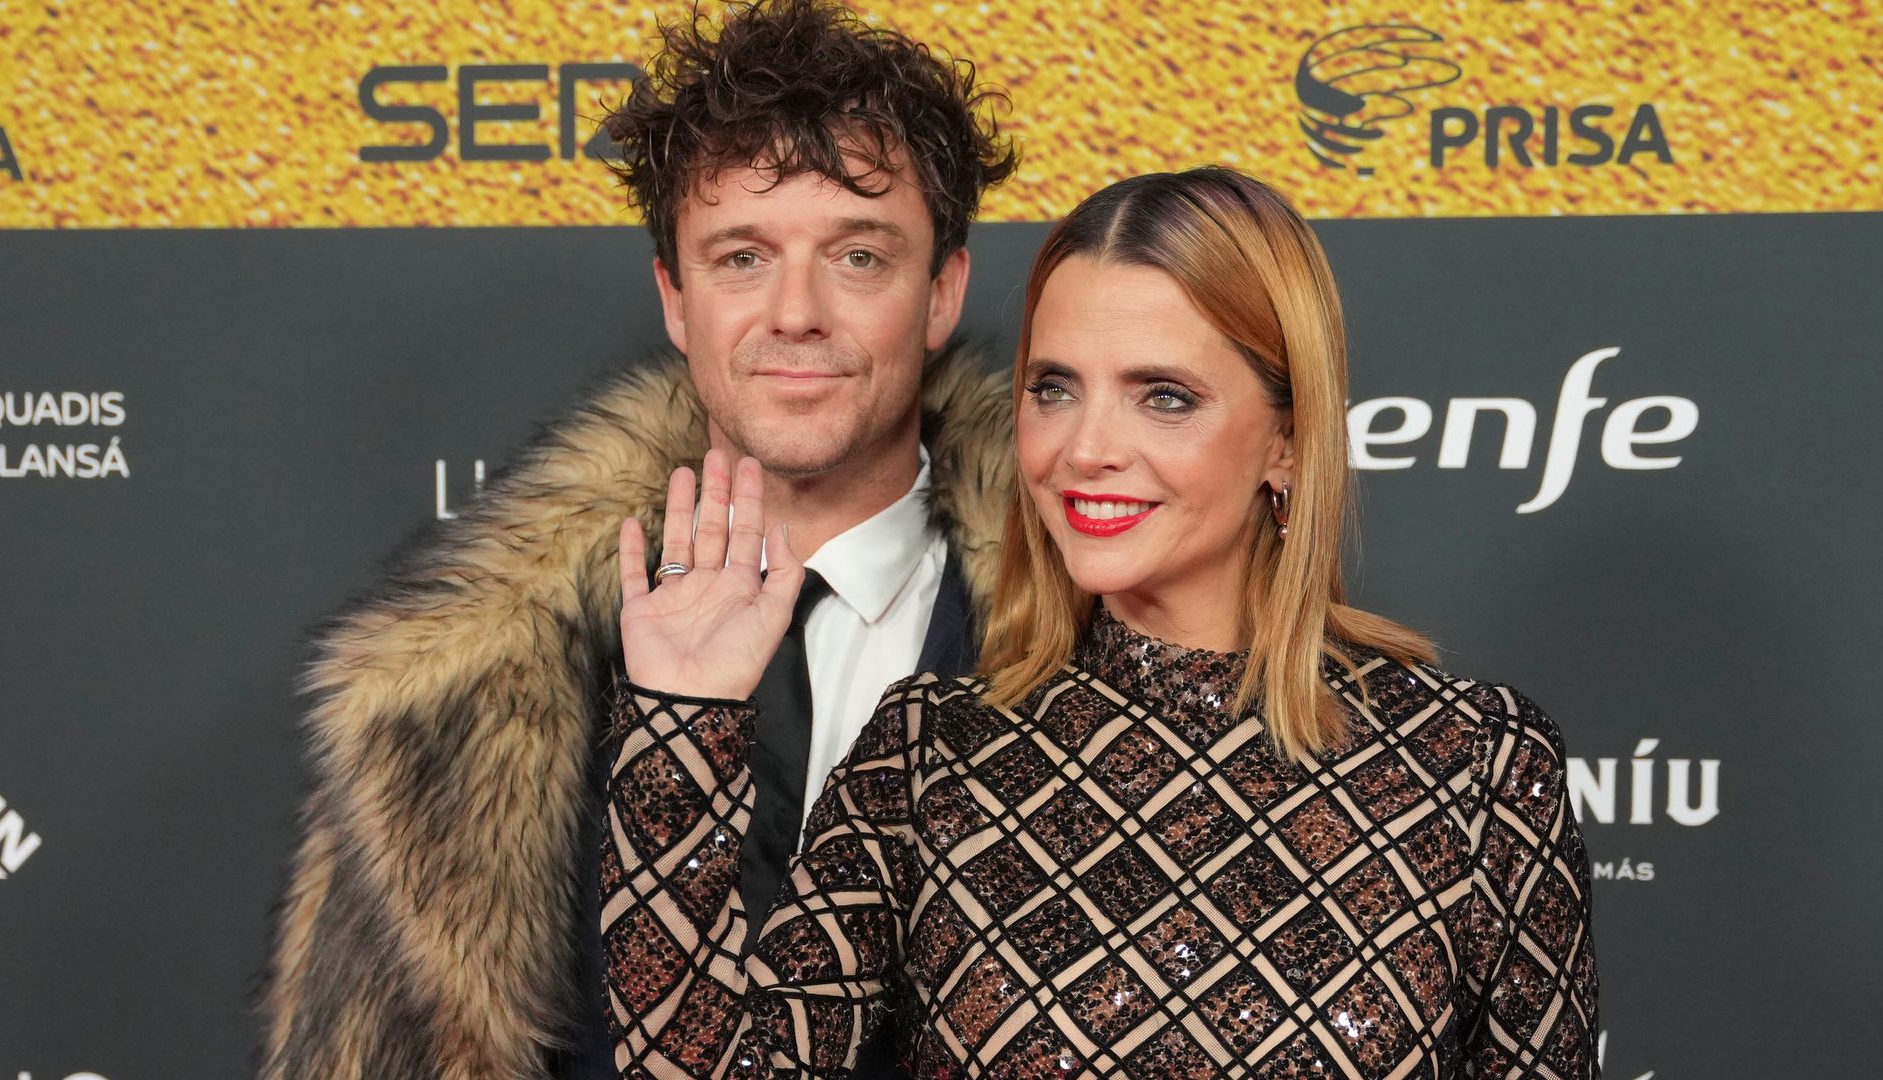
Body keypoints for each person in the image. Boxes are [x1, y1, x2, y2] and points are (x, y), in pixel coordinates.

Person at [602, 167, 1600, 1077]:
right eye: (1055, 389)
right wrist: (681, 721)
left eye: (1163, 397)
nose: (1086, 449)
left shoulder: (1477, 769)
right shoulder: (929, 753)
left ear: (1288, 445)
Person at [255, 2, 1016, 1076]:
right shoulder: (451, 699)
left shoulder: (1104, 644)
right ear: (674, 295)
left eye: (857, 256)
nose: (795, 312)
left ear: (941, 293)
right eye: (742, 257)